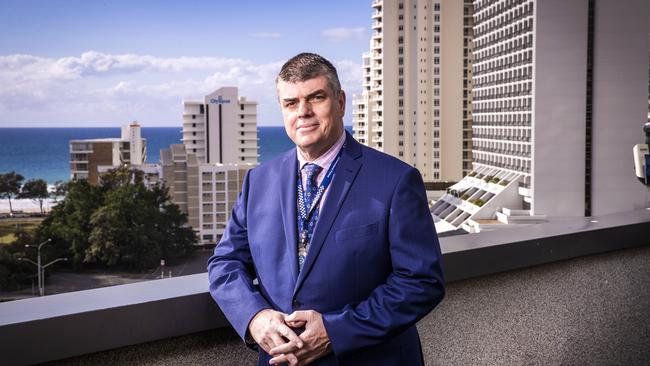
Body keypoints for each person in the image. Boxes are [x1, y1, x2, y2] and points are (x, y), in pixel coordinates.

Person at [207, 52, 445, 366]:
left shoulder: (396, 181)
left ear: (340, 102)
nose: (303, 112)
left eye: (316, 98)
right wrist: (255, 317)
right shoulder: (258, 182)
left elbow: (421, 282)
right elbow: (225, 263)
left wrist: (336, 331)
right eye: (291, 103)